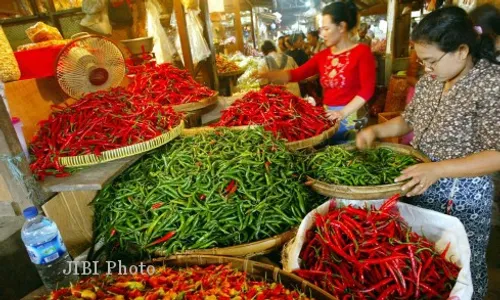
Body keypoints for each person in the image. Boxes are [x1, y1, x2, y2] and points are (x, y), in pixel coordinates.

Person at [356, 7, 500, 299]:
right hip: (421, 184)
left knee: (460, 267)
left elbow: (497, 154)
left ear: (461, 50)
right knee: (422, 265)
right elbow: (410, 119)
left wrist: (438, 169)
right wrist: (375, 131)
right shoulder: (431, 80)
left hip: (462, 197)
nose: (426, 69)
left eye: (431, 61)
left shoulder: (491, 83)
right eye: (423, 61)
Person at [260, 1, 376, 144]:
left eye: (326, 29)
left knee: (348, 156)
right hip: (328, 114)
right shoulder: (323, 55)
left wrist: (343, 113)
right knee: (329, 155)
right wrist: (269, 75)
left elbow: (367, 90)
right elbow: (297, 74)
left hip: (352, 114)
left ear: (341, 27)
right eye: (321, 29)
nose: (322, 34)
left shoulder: (361, 52)